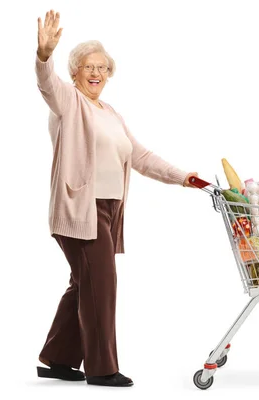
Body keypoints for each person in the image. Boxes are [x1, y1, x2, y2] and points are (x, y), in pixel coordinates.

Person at [34, 10, 199, 388]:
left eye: (103, 68)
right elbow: (47, 84)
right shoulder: (68, 103)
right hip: (80, 210)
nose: (96, 74)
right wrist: (44, 56)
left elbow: (139, 156)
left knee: (85, 282)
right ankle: (101, 368)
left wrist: (182, 177)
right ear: (74, 72)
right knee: (101, 285)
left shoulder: (111, 113)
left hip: (108, 210)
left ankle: (58, 358)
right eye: (89, 67)